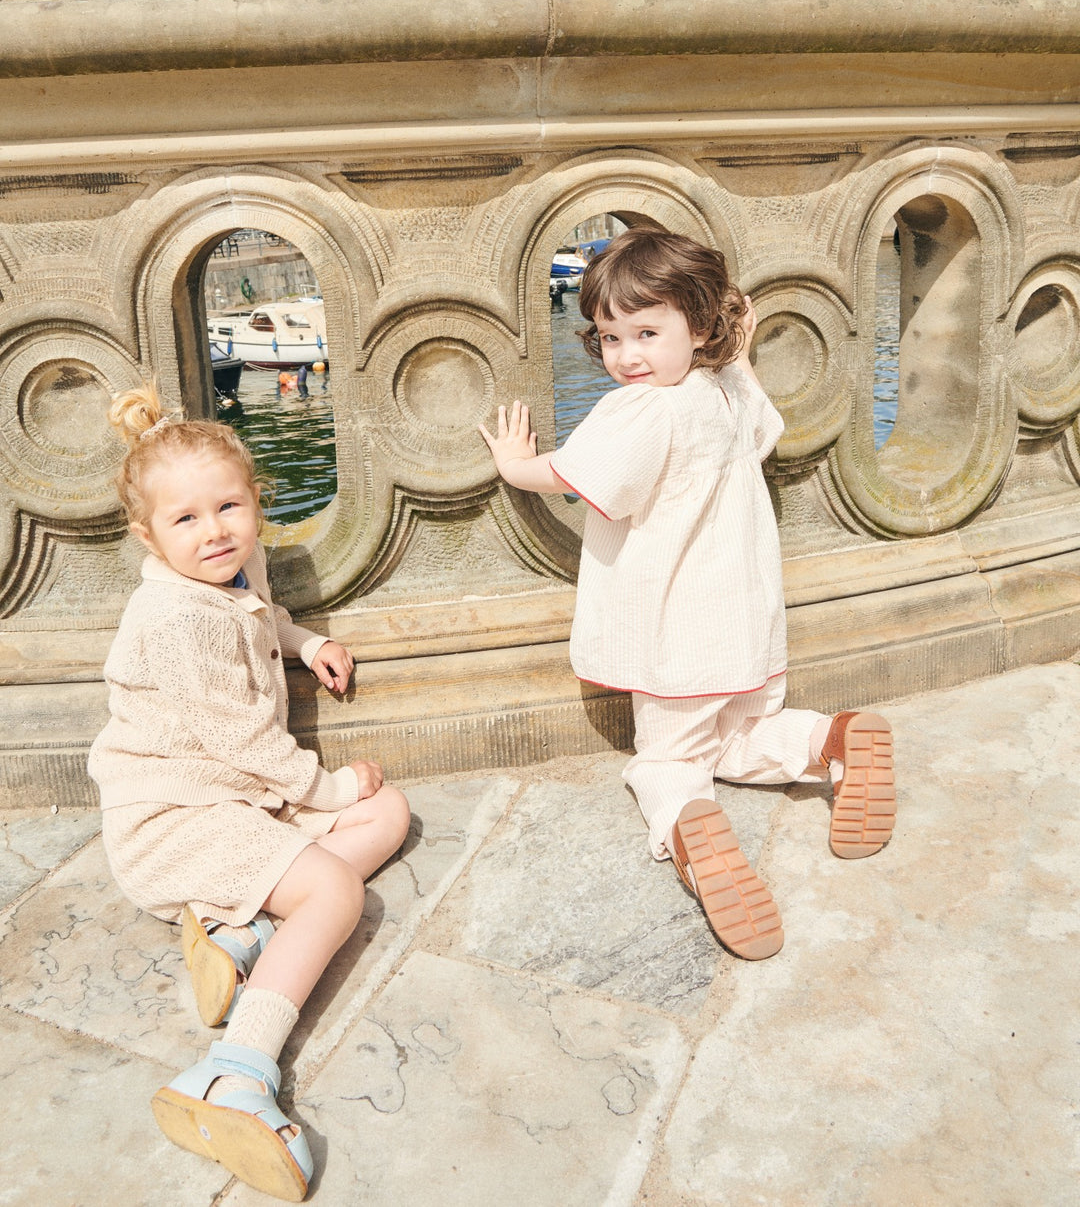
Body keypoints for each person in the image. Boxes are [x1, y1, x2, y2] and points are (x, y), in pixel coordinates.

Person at [480, 228, 895, 962]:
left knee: (669, 760)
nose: (626, 356)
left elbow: (579, 477)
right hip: (748, 617)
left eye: (646, 332)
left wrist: (516, 466)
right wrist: (730, 335)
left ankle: (688, 830)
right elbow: (763, 424)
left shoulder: (641, 410)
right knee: (738, 738)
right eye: (610, 337)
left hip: (679, 627)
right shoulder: (727, 390)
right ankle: (827, 739)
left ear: (697, 327)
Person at [88, 386, 410, 1201]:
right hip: (175, 817)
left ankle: (244, 935)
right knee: (336, 889)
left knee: (392, 811)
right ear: (148, 536)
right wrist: (327, 787)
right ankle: (235, 1072)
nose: (215, 532)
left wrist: (306, 642)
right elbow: (240, 738)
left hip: (233, 794)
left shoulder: (231, 567)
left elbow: (257, 617)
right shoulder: (174, 618)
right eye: (187, 521)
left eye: (229, 507)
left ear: (254, 502)